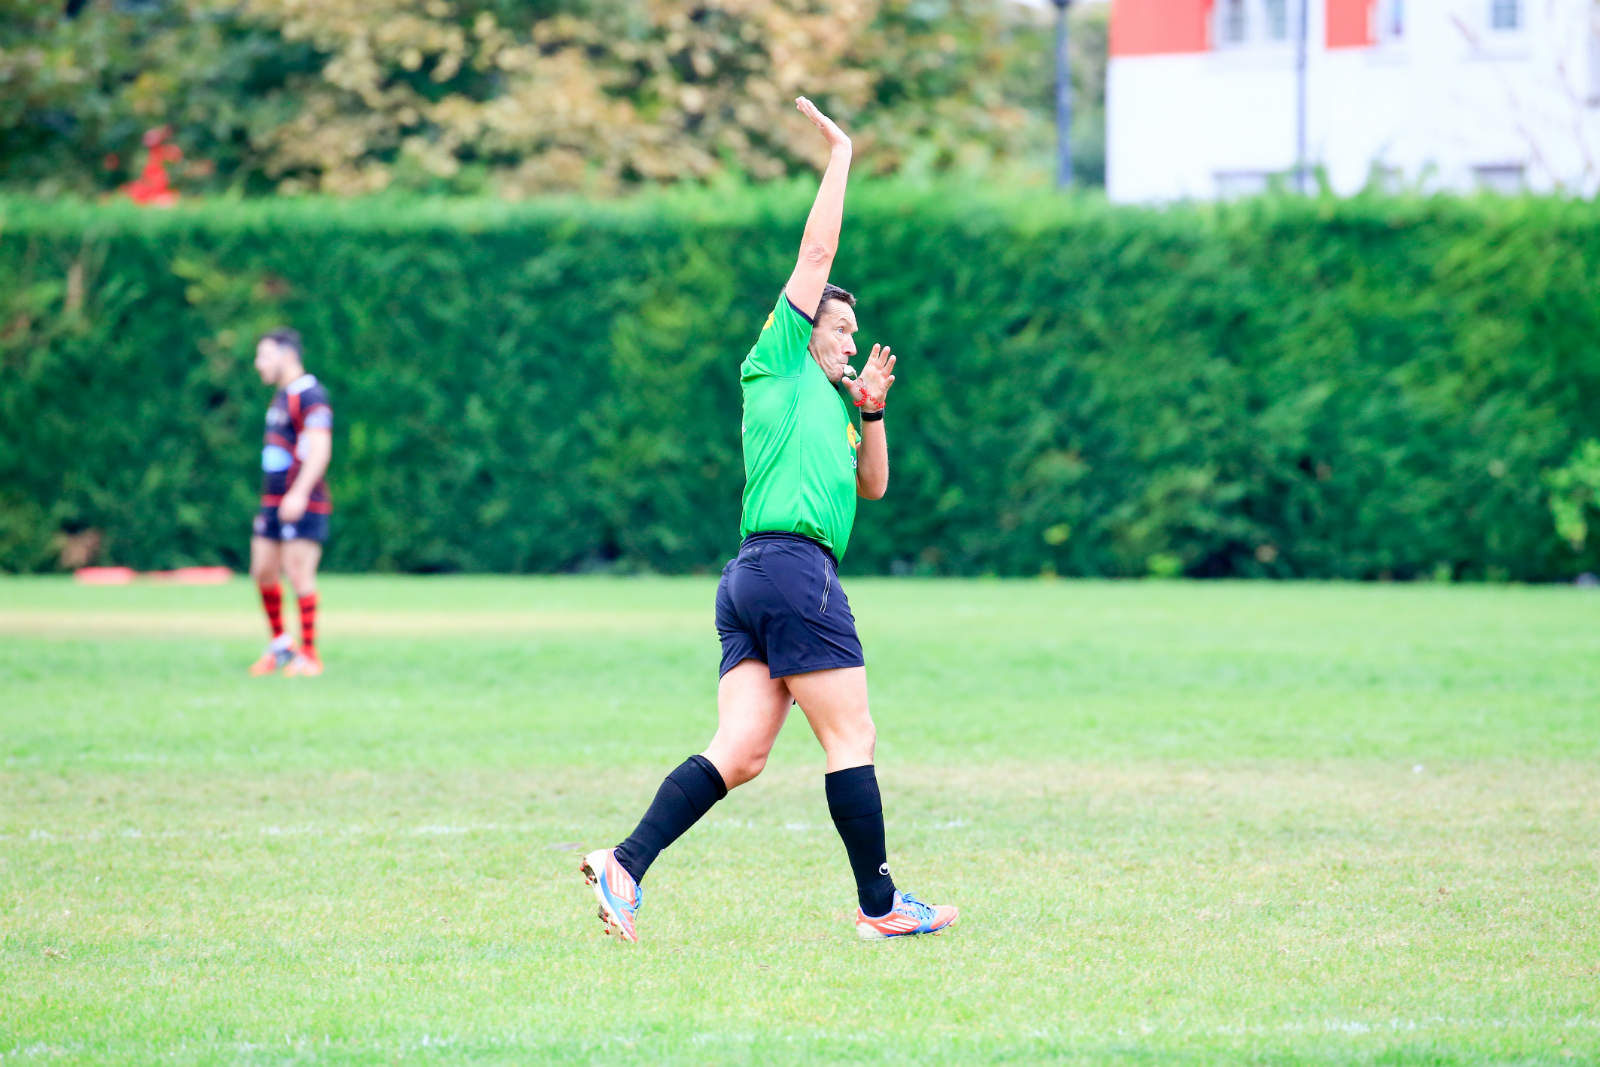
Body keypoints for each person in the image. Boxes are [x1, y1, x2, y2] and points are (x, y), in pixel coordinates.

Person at [580, 98, 958, 942]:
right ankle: (880, 905)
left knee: (743, 750)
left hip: (753, 578)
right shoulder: (779, 364)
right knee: (851, 732)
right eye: (843, 328)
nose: (853, 342)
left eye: (856, 334)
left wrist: (874, 412)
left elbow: (874, 491)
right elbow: (817, 251)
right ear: (805, 325)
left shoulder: (834, 401)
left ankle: (624, 863)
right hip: (792, 573)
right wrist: (843, 155)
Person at [247, 327, 332, 678]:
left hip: (303, 499)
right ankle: (281, 645)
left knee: (299, 574)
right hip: (273, 501)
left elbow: (319, 447)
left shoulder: (310, 394)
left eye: (265, 355)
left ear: (287, 355)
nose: (258, 364)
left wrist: (299, 491)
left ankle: (309, 654)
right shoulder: (280, 397)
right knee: (263, 570)